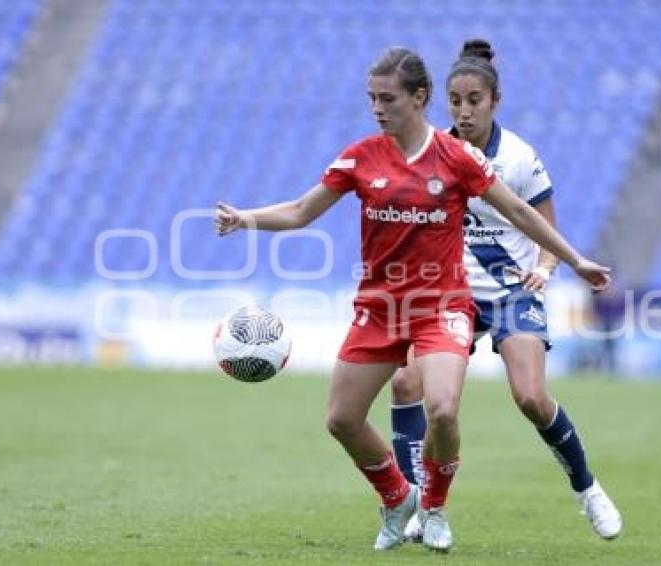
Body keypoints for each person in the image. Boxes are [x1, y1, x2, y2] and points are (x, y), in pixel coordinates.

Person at [215, 46, 611, 553]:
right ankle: (397, 497)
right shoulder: (360, 156)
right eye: (372, 99)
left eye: (388, 98)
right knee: (341, 419)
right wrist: (243, 218)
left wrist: (572, 261)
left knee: (443, 409)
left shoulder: (456, 157)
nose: (378, 108)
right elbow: (299, 211)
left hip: (442, 305)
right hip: (380, 308)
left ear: (419, 98)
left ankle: (435, 508)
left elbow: (519, 210)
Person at [389, 39, 623, 542]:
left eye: (474, 100)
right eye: (455, 101)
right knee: (407, 384)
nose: (464, 110)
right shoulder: (432, 152)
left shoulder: (518, 157)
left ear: (495, 101)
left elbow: (542, 224)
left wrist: (548, 264)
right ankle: (415, 502)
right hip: (450, 297)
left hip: (512, 293)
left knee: (532, 398)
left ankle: (587, 489)